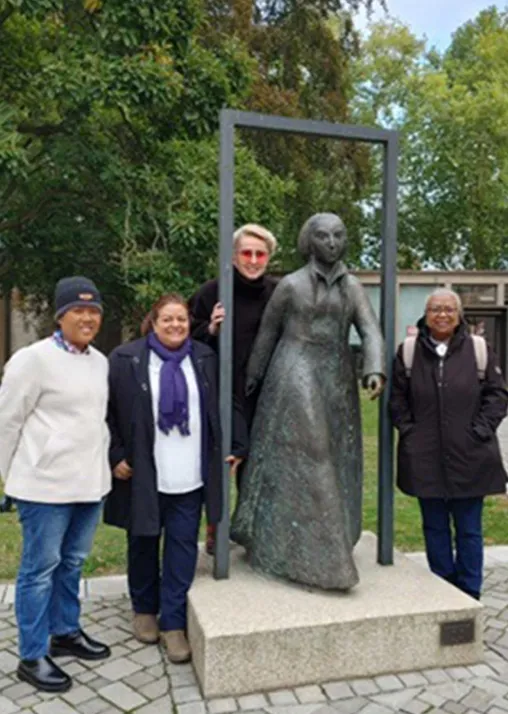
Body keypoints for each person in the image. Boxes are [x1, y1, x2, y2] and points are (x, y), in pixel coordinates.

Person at [231, 213, 385, 590]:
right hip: (293, 369)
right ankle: (325, 564)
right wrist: (252, 378)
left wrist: (375, 368)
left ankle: (300, 542)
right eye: (322, 236)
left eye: (338, 235)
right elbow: (268, 333)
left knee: (338, 456)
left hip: (336, 376)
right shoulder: (291, 285)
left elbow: (370, 330)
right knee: (313, 453)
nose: (331, 242)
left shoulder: (352, 287)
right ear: (308, 241)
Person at [104, 294, 247, 662]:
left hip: (190, 471)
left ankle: (172, 623)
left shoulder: (204, 357)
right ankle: (144, 610)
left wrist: (236, 443)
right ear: (153, 322)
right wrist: (115, 454)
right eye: (167, 319)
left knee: (183, 547)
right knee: (143, 541)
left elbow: (227, 401)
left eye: (181, 319)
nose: (175, 326)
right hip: (144, 471)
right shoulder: (126, 359)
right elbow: (107, 413)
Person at [0, 276, 111, 693]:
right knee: (38, 570)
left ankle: (65, 632)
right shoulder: (32, 359)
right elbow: (6, 421)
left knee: (72, 563)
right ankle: (31, 655)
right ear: (60, 315)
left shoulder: (99, 361)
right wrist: (11, 478)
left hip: (88, 484)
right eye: (78, 310)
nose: (87, 317)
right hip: (43, 488)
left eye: (94, 310)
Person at [389, 288, 508, 600]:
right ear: (426, 315)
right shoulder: (409, 351)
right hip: (425, 457)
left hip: (470, 456)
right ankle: (443, 588)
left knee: (469, 530)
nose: (442, 314)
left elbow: (497, 396)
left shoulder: (479, 349)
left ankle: (469, 592)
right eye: (435, 309)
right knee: (434, 528)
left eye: (448, 309)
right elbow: (397, 399)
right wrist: (410, 432)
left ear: (459, 316)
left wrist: (480, 431)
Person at [189, 223, 278, 552]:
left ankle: (254, 528)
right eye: (247, 253)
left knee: (260, 464)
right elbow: (187, 334)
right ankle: (216, 529)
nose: (253, 260)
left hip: (266, 391)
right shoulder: (212, 291)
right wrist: (210, 328)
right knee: (225, 461)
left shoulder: (277, 292)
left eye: (260, 254)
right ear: (234, 256)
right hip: (222, 391)